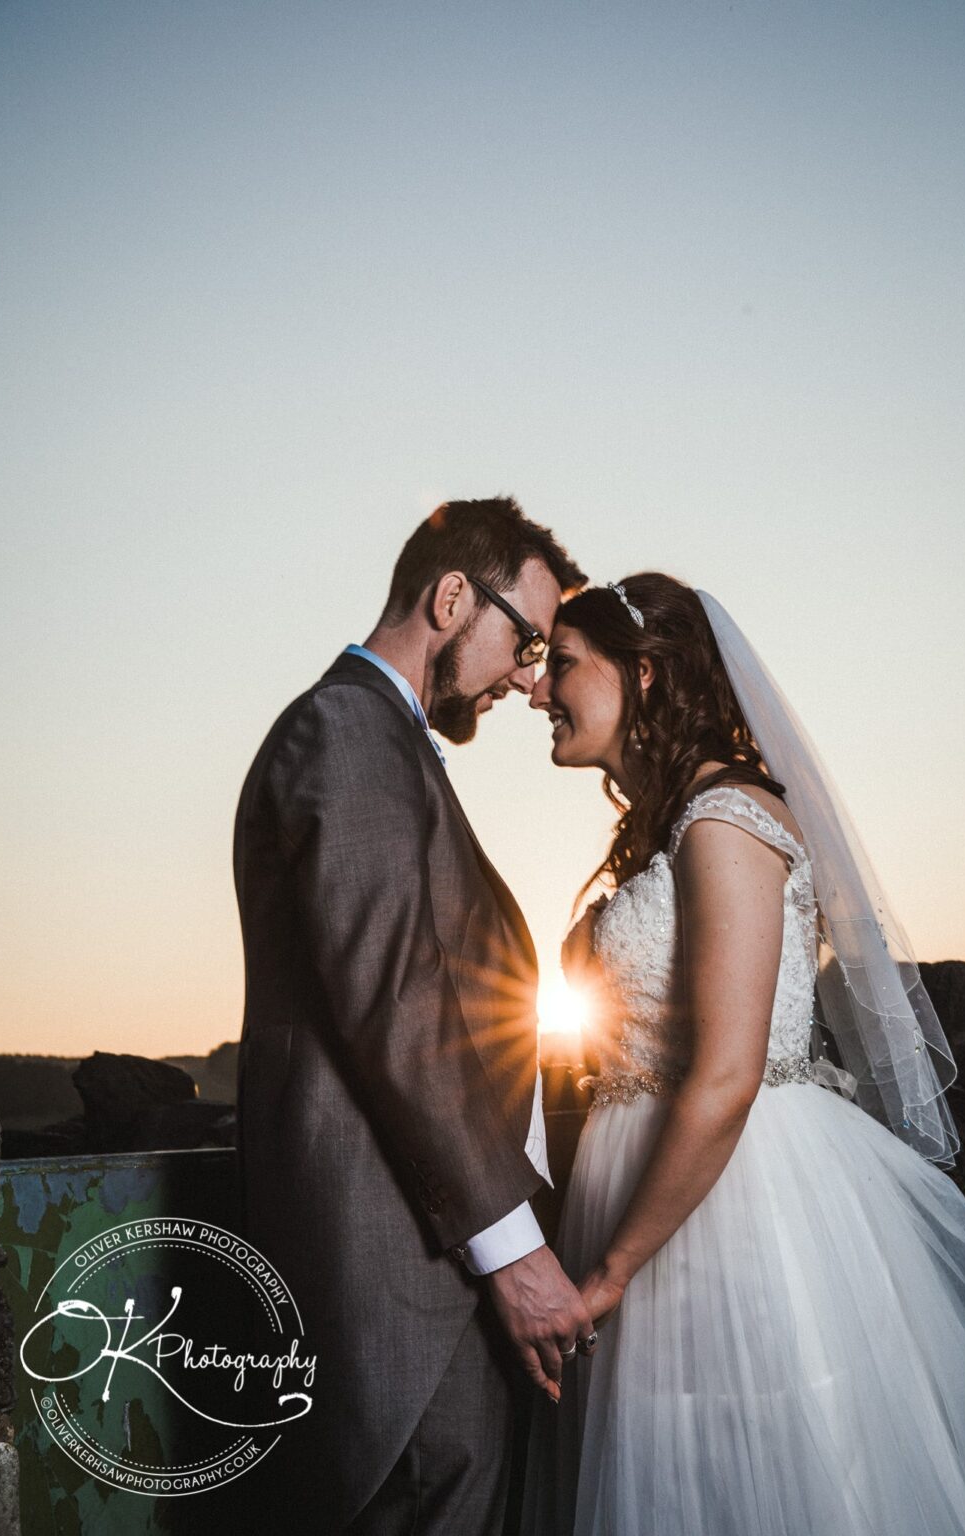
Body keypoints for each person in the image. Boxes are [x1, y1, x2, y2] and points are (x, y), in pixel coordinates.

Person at [521, 572, 965, 1536]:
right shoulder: (677, 826)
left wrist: (613, 1271)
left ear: (647, 674)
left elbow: (728, 1074)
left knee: (761, 1473)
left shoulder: (727, 824)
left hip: (733, 1199)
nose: (540, 691)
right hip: (660, 1187)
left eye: (564, 665)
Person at [233, 498, 597, 1536]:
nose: (530, 677)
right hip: (400, 1279)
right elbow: (398, 1006)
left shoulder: (377, 736)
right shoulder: (346, 731)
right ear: (449, 598)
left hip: (422, 1272)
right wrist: (514, 1252)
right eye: (523, 640)